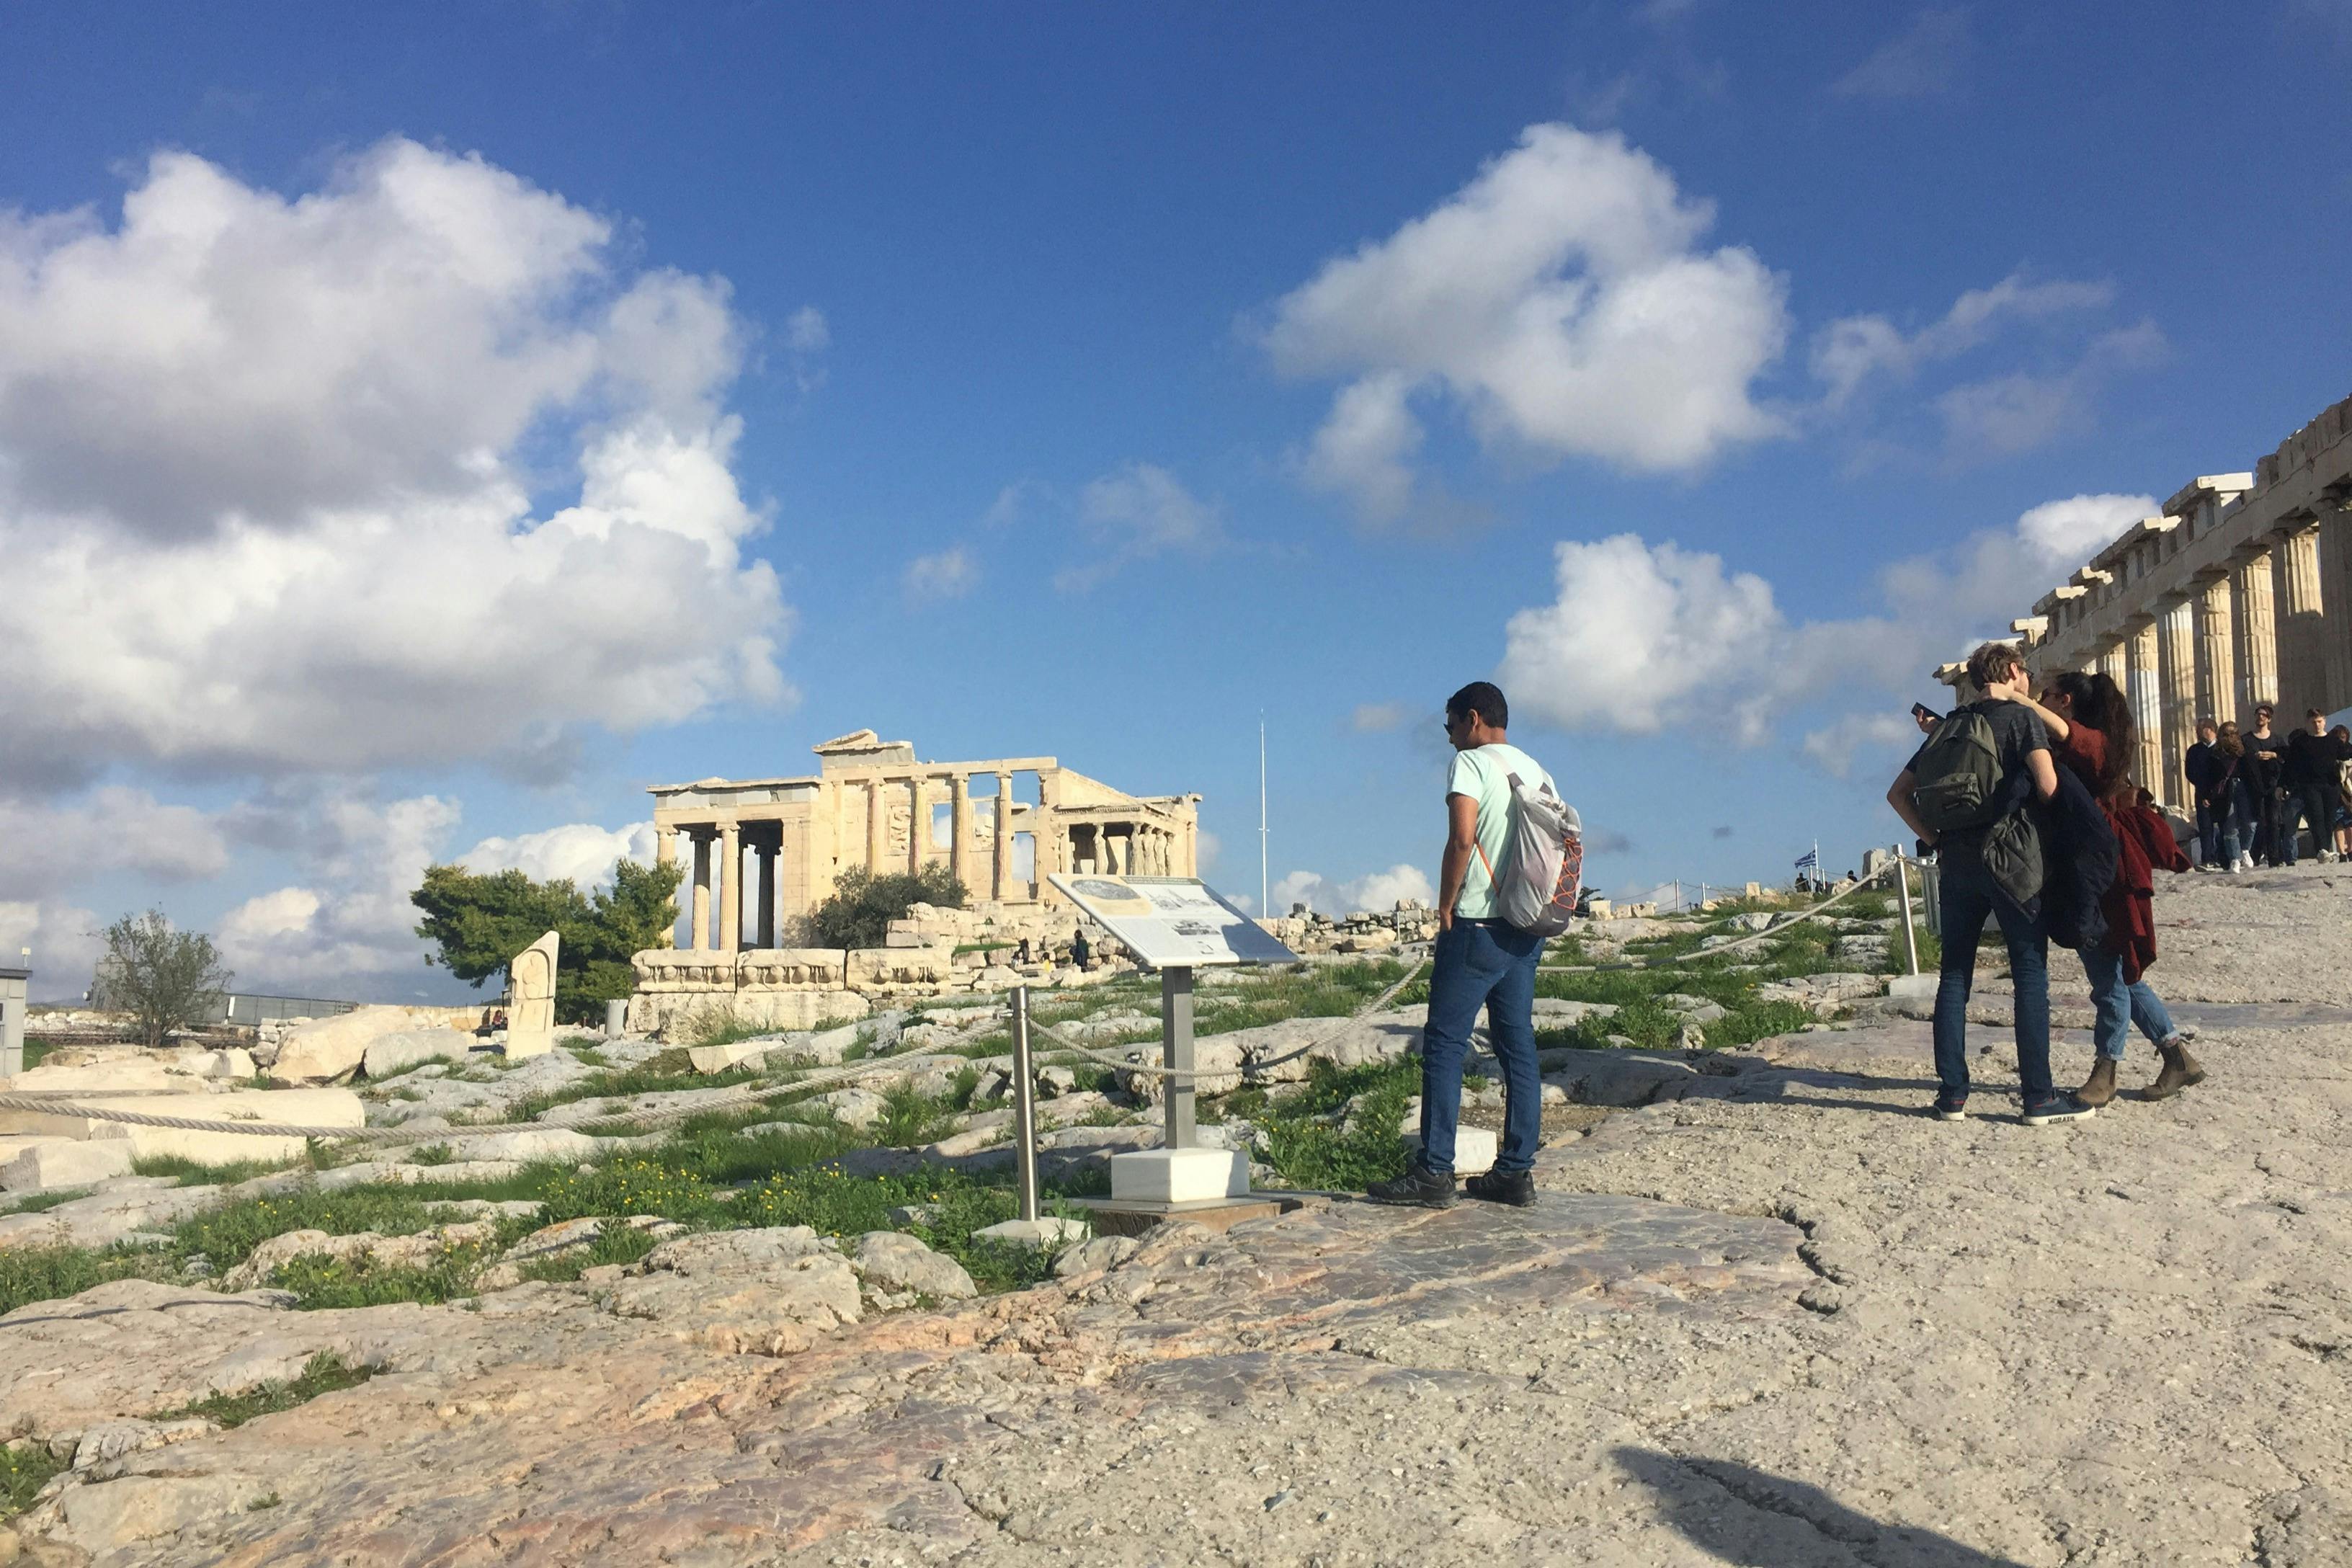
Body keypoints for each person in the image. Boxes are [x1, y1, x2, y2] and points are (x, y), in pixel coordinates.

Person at [1886, 643, 2090, 1125]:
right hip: (2014, 859)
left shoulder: (1949, 726)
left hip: (1956, 861)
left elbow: (1897, 794)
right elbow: (2047, 786)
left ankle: (1952, 1095)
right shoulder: (2021, 720)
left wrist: (1934, 838)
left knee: (1955, 977)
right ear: (2014, 671)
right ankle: (2038, 1099)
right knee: (2029, 975)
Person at [1368, 680, 1553, 1208]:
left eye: (1450, 725)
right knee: (1517, 1044)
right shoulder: (1538, 770)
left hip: (1477, 923)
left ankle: (1434, 1171)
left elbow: (1462, 839)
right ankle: (1516, 1172)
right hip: (1527, 923)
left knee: (1445, 1044)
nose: (1448, 737)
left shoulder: (1471, 764)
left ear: (1473, 719)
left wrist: (1445, 904)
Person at [2005, 671, 2203, 1103]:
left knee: (2106, 975)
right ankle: (2177, 1057)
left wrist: (2017, 698)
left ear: (2067, 701)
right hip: (2084, 870)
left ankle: (2106, 1070)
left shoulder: (2096, 744)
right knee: (2122, 972)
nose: (2043, 701)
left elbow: (2066, 733)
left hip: (2103, 875)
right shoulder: (2065, 742)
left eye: (2049, 697)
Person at [2281, 708, 2352, 865]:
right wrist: (2282, 785)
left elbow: (2347, 753)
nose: (2317, 725)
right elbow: (2290, 766)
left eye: (2319, 722)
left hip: (2331, 785)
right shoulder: (2301, 743)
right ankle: (2322, 849)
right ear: (2307, 723)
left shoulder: (2334, 741)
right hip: (2310, 785)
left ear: (2325, 722)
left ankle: (2325, 849)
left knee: (2329, 818)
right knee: (2317, 816)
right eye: (2313, 722)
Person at [2246, 705, 2289, 865]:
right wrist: (2254, 757)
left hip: (2273, 783)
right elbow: (2243, 761)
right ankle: (2254, 855)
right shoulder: (2247, 739)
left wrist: (2275, 755)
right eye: (2258, 714)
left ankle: (2274, 857)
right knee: (2256, 821)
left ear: (2269, 719)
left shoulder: (2277, 739)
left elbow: (2286, 758)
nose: (2261, 717)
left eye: (2264, 715)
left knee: (2273, 821)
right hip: (2254, 785)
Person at [2184, 720, 2224, 869]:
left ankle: (2223, 856)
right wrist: (2204, 792)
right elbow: (2190, 773)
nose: (2199, 732)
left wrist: (2215, 792)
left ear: (2211, 730)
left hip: (2222, 794)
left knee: (2225, 826)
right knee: (2205, 827)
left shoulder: (2222, 748)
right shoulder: (2194, 750)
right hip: (2202, 794)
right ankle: (2207, 858)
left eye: (2202, 729)